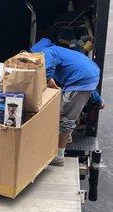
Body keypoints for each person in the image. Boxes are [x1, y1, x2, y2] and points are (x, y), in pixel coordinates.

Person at [31, 38, 103, 166]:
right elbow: (84, 80)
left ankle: (58, 156)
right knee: (65, 108)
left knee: (65, 118)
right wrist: (98, 99)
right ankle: (67, 137)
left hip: (82, 79)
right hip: (88, 76)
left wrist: (48, 77)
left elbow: (49, 64)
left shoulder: (48, 51)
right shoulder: (64, 53)